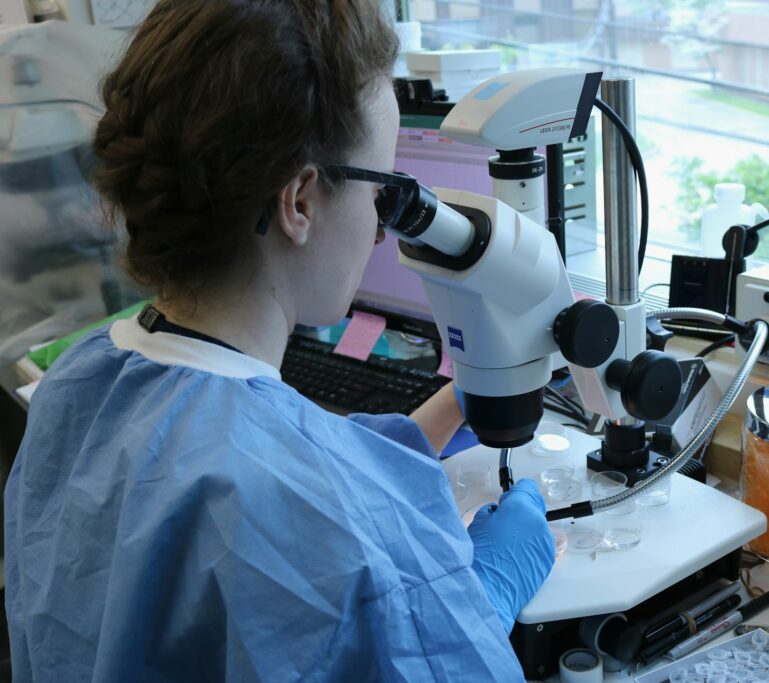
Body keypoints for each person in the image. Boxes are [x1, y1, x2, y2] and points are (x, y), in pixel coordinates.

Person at [3, 1, 555, 680]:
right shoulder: (319, 520)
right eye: (382, 191)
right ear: (298, 201)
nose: (383, 229)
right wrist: (480, 597)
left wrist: (410, 437)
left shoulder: (79, 387)